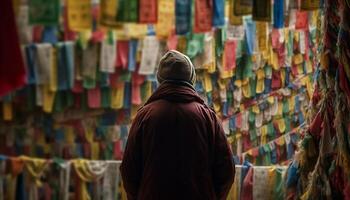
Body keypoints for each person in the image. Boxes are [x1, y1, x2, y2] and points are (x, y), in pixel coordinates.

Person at [120, 50, 235, 200]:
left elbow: (129, 170)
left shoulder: (145, 116)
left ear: (160, 79)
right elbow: (226, 170)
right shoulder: (208, 117)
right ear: (191, 78)